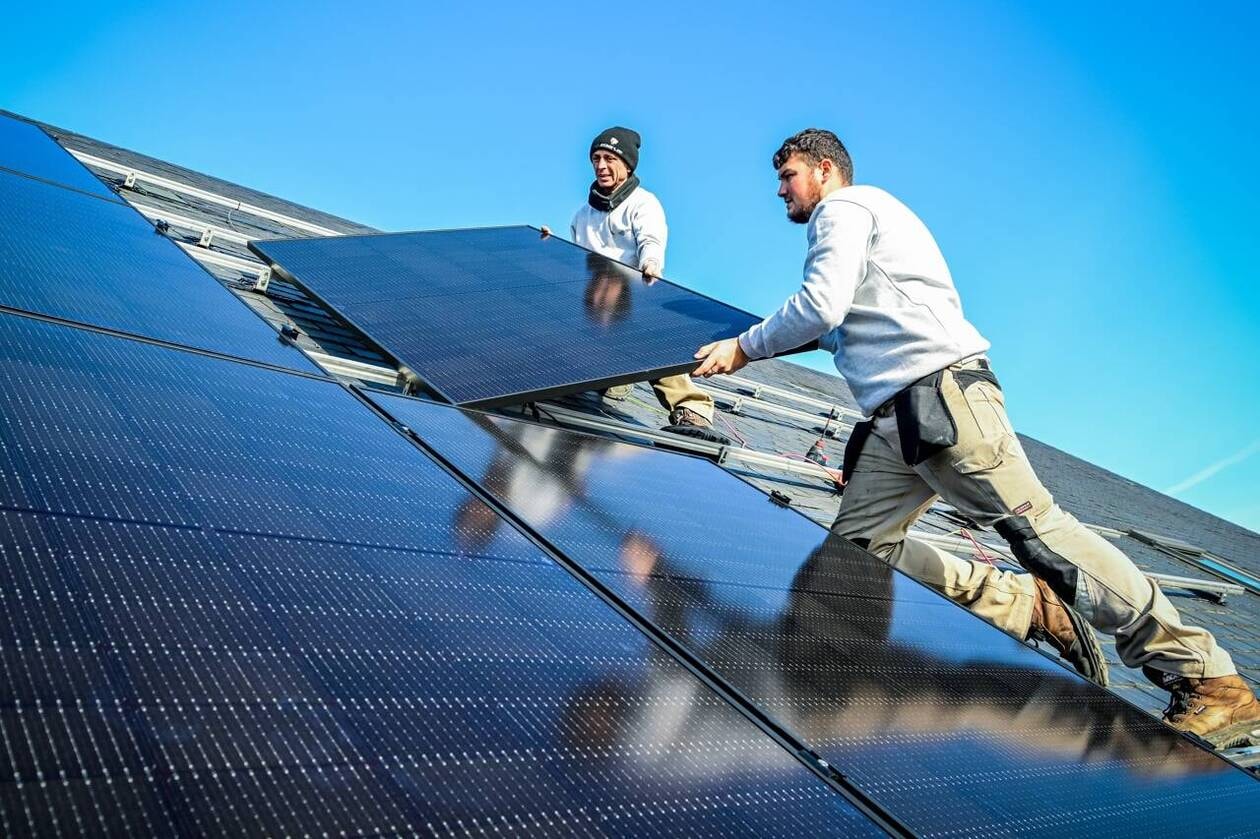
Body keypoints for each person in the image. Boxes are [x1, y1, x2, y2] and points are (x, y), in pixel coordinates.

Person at [692, 128, 1260, 747]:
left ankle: (1209, 679)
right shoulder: (865, 226)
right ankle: (1020, 605)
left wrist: (744, 348)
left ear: (824, 170)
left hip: (941, 399)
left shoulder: (844, 210)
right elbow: (831, 330)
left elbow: (821, 306)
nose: (781, 191)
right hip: (898, 423)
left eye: (788, 176)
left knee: (1042, 534)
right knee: (855, 554)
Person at [544, 126, 717, 433]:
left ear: (627, 165)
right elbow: (575, 263)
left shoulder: (642, 204)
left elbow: (651, 239)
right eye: (596, 158)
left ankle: (693, 409)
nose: (601, 165)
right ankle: (605, 380)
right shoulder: (581, 216)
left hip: (628, 299)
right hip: (590, 302)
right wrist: (549, 249)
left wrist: (651, 263)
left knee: (650, 341)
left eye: (609, 158)